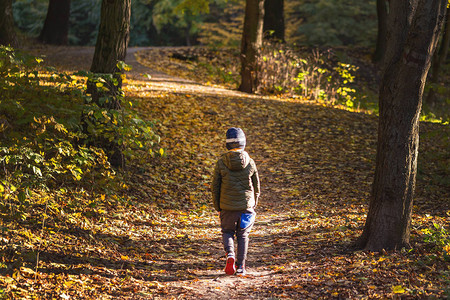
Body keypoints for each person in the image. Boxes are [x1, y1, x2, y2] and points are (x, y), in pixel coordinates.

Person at [211, 127, 260, 276]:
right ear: (244, 144)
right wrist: (254, 202)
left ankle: (230, 254)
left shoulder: (220, 163)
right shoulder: (250, 163)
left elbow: (215, 187)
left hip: (226, 207)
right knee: (243, 235)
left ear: (227, 145)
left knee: (227, 232)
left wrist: (217, 207)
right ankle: (241, 267)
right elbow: (257, 186)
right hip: (246, 207)